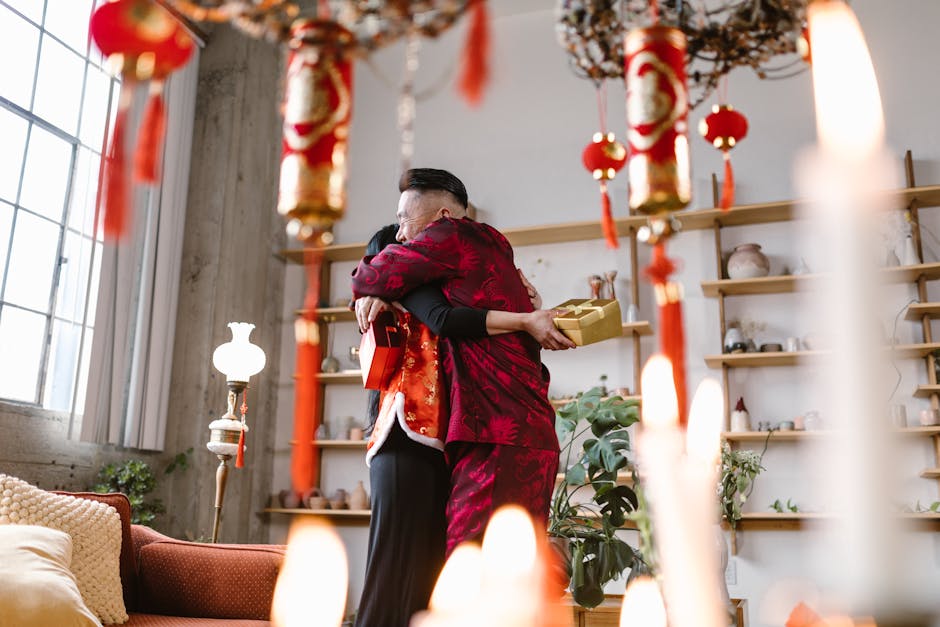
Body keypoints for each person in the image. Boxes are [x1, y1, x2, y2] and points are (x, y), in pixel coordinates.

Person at [355, 224, 570, 627]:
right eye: (404, 245)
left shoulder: (435, 282)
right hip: (407, 433)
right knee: (396, 570)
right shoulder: (410, 288)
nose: (413, 244)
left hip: (439, 442)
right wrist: (524, 319)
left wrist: (526, 309)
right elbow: (445, 320)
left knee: (429, 574)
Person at [351, 168, 565, 556]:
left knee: (468, 572)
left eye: (405, 220)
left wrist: (385, 287)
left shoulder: (450, 238)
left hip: (497, 435)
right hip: (529, 433)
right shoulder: (494, 245)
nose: (400, 234)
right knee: (515, 574)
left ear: (444, 220)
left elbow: (367, 274)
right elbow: (451, 316)